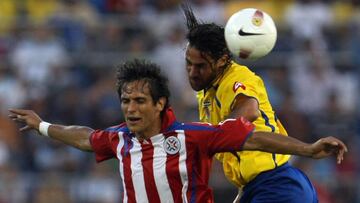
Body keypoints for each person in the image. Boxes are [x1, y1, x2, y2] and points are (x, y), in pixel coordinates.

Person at [9, 59, 347, 203]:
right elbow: (84, 136)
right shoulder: (121, 140)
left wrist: (308, 148)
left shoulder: (191, 136)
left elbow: (251, 136)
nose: (130, 108)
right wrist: (43, 125)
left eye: (140, 100)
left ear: (160, 104)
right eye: (126, 101)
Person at [181, 4, 339, 203]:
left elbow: (249, 110)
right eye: (189, 63)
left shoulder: (237, 76)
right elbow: (242, 145)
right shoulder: (206, 95)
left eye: (200, 66)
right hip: (258, 188)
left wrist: (207, 138)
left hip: (278, 186)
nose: (192, 72)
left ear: (221, 60)